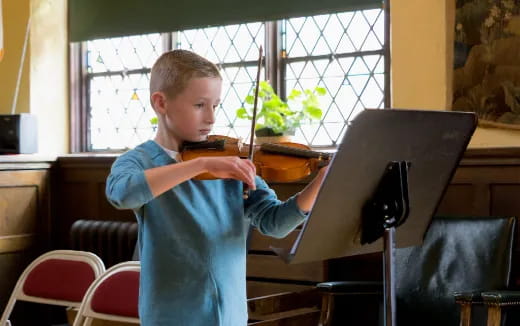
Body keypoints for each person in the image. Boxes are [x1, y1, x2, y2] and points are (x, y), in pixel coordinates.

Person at [105, 49, 328, 326]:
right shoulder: (138, 161)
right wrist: (199, 166)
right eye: (200, 105)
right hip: (172, 315)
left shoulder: (232, 162)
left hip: (230, 314)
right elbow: (123, 194)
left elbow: (275, 223)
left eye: (216, 105)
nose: (211, 118)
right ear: (161, 103)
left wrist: (318, 185)